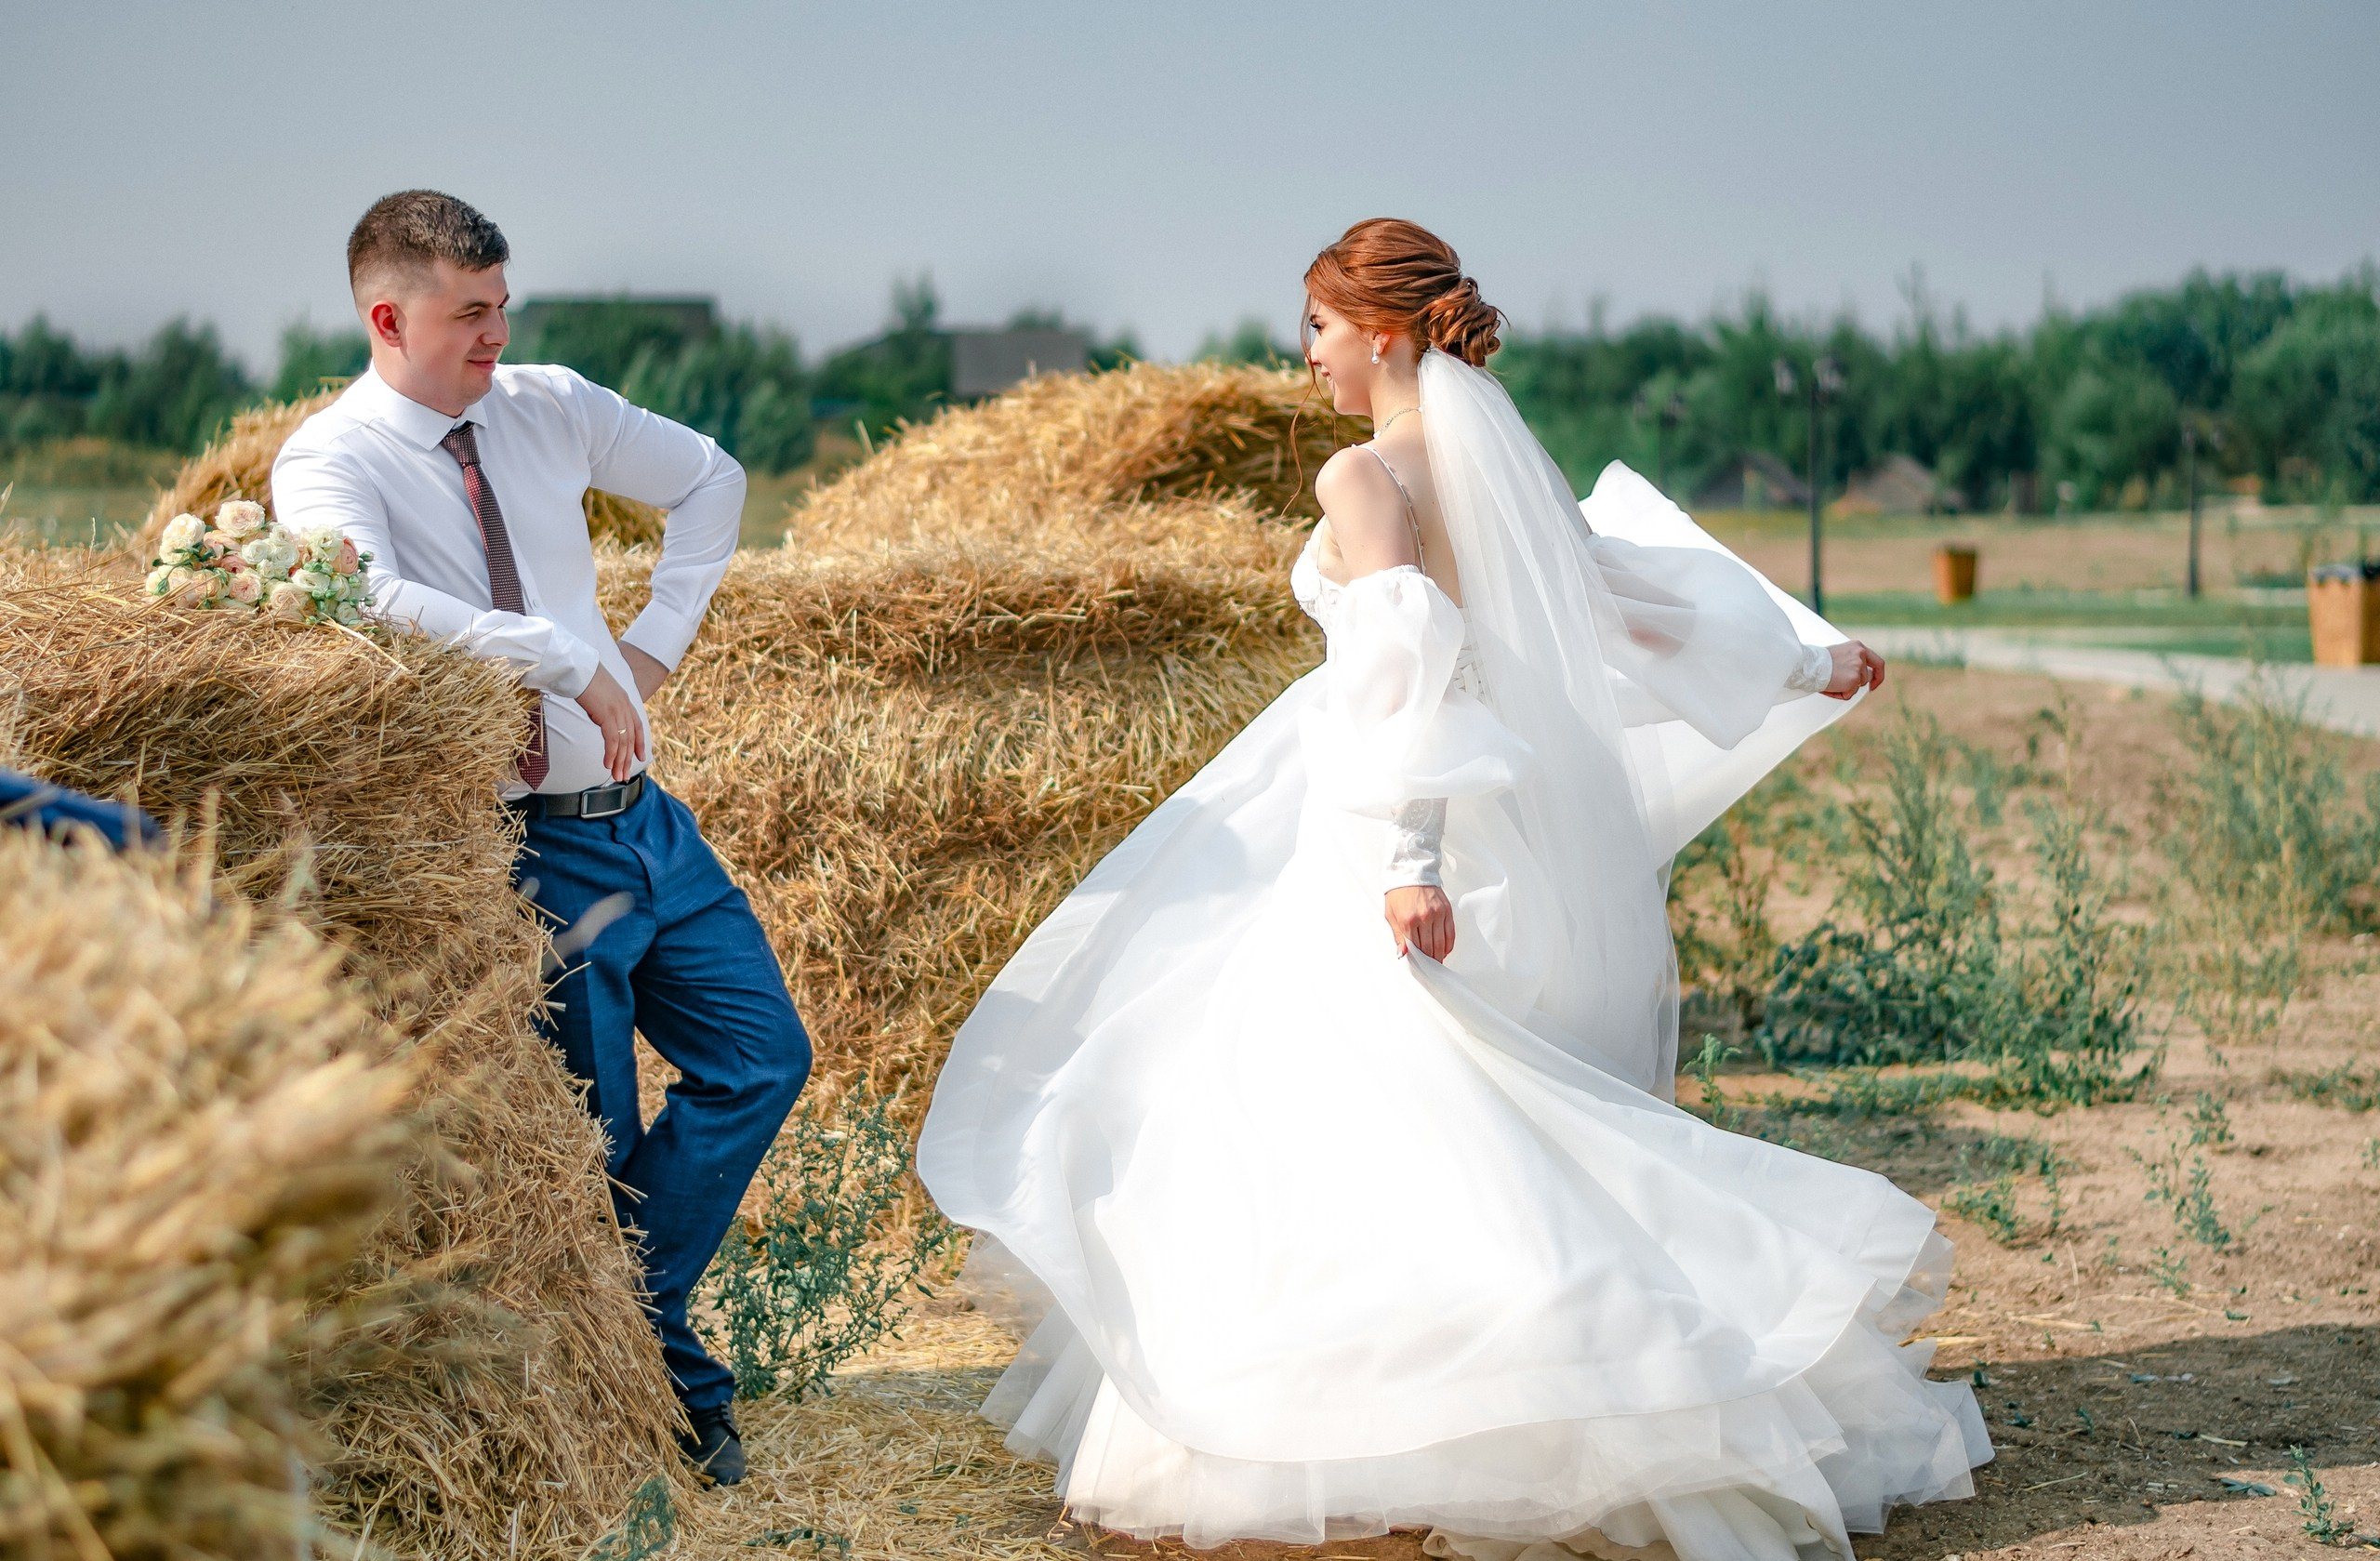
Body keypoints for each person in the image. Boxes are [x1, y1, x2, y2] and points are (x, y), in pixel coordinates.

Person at [917, 219, 1986, 1561]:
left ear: (1383, 331)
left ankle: (1458, 1406)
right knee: (1443, 1117)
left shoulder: (1364, 476)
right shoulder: (1502, 467)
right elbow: (1624, 600)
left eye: (1314, 324)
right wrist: (1799, 661)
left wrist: (1408, 864)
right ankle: (1513, 1399)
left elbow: (1411, 671)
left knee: (1382, 1111)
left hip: (1399, 831)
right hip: (1513, 827)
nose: (1301, 351)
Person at [271, 190, 808, 1486]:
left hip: (647, 826)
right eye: (468, 315)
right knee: (596, 1137)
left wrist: (650, 647)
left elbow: (713, 482)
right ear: (388, 316)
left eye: (503, 306)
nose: (495, 336)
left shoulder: (549, 402)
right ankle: (674, 1396)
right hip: (521, 854)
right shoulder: (330, 461)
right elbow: (366, 598)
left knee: (763, 1058)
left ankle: (630, 1337)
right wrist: (559, 653)